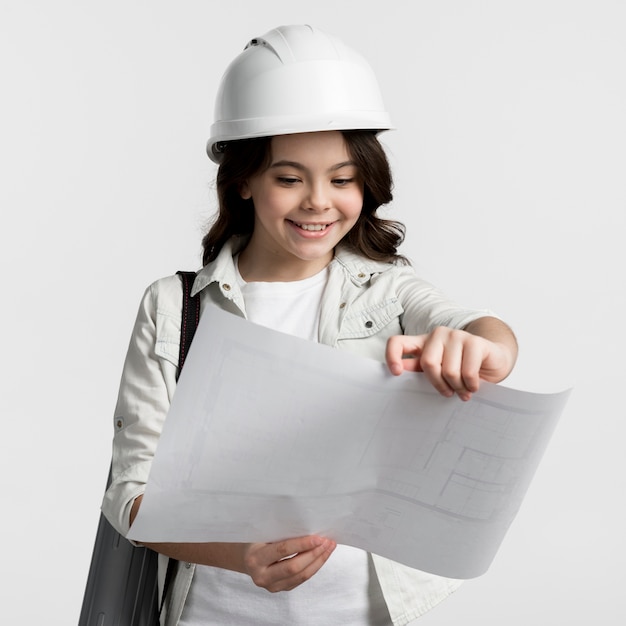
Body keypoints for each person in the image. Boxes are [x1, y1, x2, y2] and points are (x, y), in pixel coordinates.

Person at [102, 24, 518, 626]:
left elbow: (483, 335)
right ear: (243, 179)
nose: (319, 201)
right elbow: (129, 496)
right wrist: (241, 555)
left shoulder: (388, 289)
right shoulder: (173, 308)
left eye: (342, 179)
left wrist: (485, 348)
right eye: (289, 178)